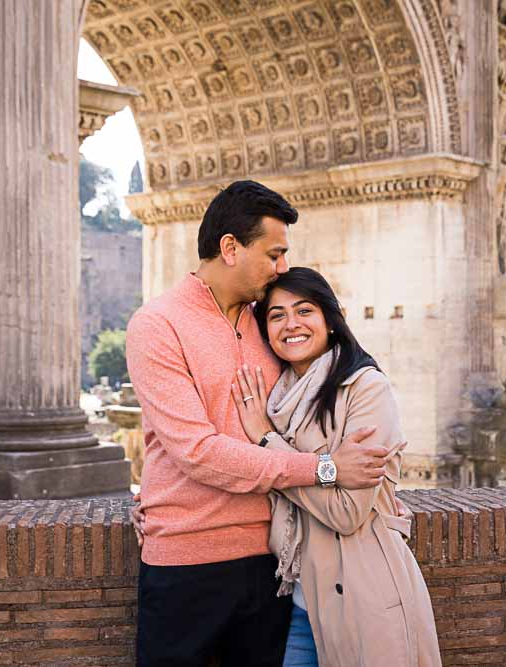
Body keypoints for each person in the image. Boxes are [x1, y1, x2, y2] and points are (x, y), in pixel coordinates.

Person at [125, 181, 391, 667]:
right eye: (274, 253)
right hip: (187, 562)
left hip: (274, 564)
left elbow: (321, 401)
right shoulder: (156, 325)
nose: (282, 267)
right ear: (230, 248)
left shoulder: (270, 322)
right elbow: (197, 451)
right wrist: (325, 469)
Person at [230, 267, 442, 667]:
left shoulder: (365, 389)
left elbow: (347, 513)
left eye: (304, 310)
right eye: (276, 315)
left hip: (363, 596)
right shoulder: (277, 398)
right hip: (298, 602)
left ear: (330, 318)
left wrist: (266, 442)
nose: (291, 324)